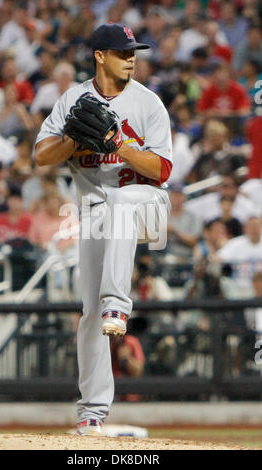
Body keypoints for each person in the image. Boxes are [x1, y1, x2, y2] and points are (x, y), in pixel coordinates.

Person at [34, 23, 173, 435]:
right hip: (98, 215)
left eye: (134, 52)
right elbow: (42, 155)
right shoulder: (73, 99)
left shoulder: (148, 103)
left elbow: (163, 169)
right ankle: (91, 412)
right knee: (90, 315)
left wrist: (119, 144)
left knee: (121, 201)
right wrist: (73, 142)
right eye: (122, 51)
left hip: (147, 205)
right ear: (100, 55)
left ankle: (119, 302)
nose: (131, 57)